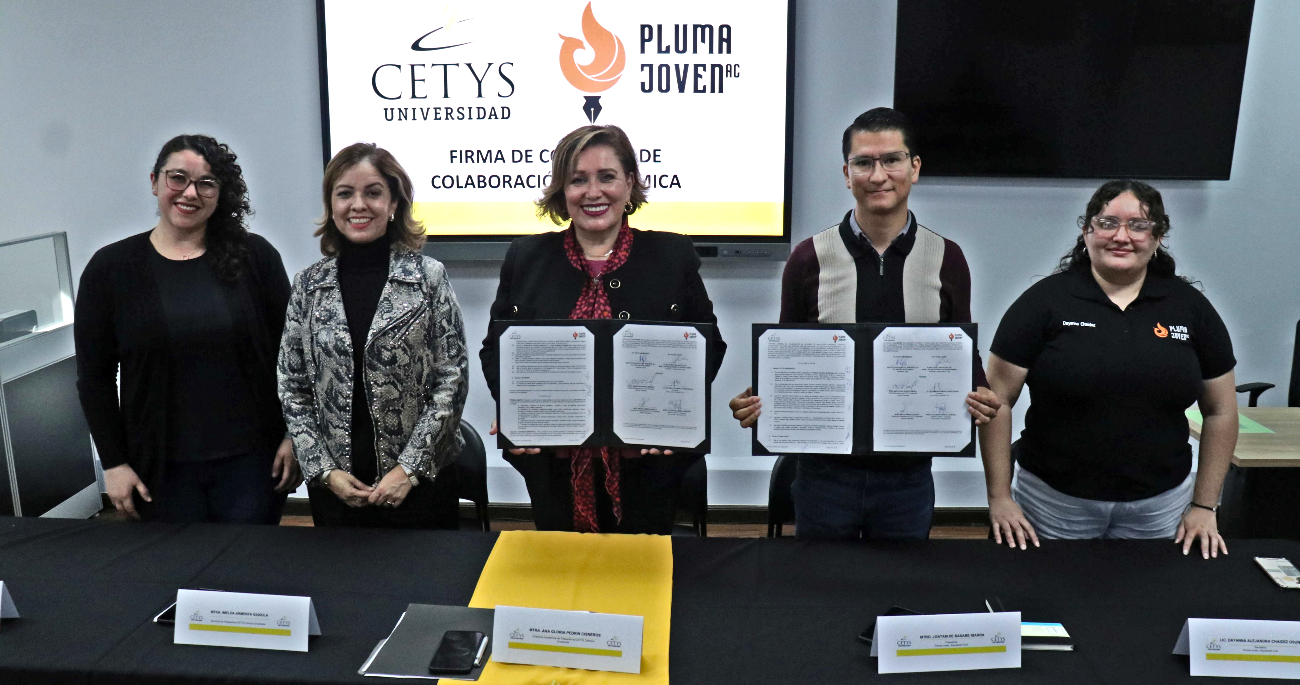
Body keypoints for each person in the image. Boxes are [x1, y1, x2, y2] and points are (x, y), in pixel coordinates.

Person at [729, 107, 1000, 539]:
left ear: (915, 168)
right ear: (846, 173)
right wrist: (762, 402)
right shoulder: (807, 258)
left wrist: (980, 394)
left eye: (892, 159)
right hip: (823, 478)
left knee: (898, 593)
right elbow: (784, 360)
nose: (878, 175)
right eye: (864, 163)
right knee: (821, 595)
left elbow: (962, 358)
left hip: (908, 480)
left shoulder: (947, 257)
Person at [480, 124, 727, 533]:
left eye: (607, 177)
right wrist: (514, 408)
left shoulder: (671, 255)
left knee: (638, 582)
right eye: (578, 180)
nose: (593, 192)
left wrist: (676, 412)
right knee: (560, 579)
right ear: (562, 191)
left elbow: (708, 345)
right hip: (553, 463)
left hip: (649, 462)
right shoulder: (526, 257)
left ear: (630, 183)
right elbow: (496, 349)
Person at [981, 180, 1237, 557]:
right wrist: (999, 498)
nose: (1122, 236)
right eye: (1107, 223)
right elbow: (995, 401)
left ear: (1158, 236)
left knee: (1146, 606)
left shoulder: (1190, 308)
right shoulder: (1043, 303)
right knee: (1049, 600)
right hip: (1053, 504)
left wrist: (1204, 505)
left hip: (1160, 506)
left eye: (1138, 225)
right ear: (1087, 230)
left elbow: (1221, 411)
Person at [74, 134, 299, 524]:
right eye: (178, 178)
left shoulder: (256, 257)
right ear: (155, 182)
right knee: (174, 579)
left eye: (206, 183)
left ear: (220, 193)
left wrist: (294, 437)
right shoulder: (111, 269)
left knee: (249, 576)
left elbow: (295, 358)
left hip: (253, 464)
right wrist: (114, 463)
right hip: (157, 470)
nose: (189, 193)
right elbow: (94, 378)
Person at [278, 143, 468, 529]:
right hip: (337, 488)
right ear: (332, 205)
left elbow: (452, 379)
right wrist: (325, 471)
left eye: (373, 192)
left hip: (419, 484)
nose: (358, 204)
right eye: (345, 193)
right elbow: (292, 385)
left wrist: (409, 469)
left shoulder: (428, 277)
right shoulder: (308, 285)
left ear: (394, 203)